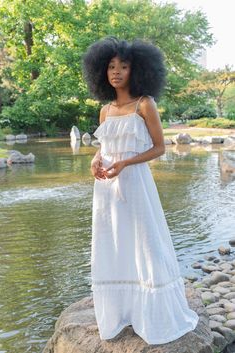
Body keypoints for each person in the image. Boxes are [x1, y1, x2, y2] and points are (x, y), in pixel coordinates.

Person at [82, 36, 199, 345]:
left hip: (135, 185)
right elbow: (103, 148)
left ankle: (154, 315)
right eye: (110, 66)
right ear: (101, 72)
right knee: (114, 246)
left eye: (124, 66)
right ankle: (122, 313)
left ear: (138, 70)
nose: (116, 71)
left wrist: (126, 163)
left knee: (146, 246)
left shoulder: (145, 104)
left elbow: (159, 148)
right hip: (106, 190)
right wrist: (96, 160)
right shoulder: (106, 110)